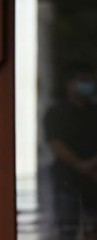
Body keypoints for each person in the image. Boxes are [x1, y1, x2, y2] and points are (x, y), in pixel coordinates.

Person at [44, 64, 97, 238]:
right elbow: (55, 143)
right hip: (67, 179)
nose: (88, 84)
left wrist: (91, 165)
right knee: (68, 229)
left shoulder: (93, 112)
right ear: (69, 84)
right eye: (82, 80)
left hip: (93, 179)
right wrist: (81, 165)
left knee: (92, 229)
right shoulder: (56, 112)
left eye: (89, 80)